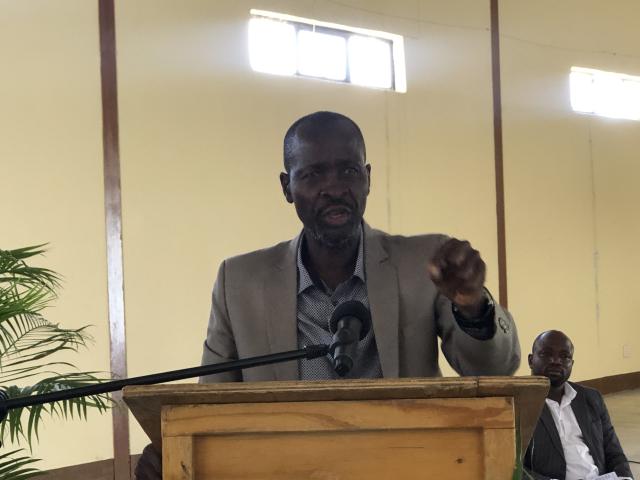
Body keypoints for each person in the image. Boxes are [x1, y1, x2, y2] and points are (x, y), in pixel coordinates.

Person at [134, 111, 520, 479]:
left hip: (407, 467)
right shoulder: (240, 281)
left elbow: (496, 370)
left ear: (367, 179)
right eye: (314, 174)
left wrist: (472, 306)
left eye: (348, 171)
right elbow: (212, 403)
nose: (334, 188)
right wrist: (172, 446)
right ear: (287, 187)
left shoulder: (425, 262)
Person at [524, 330, 633, 480]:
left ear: (572, 363)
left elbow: (614, 453)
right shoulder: (517, 403)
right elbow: (511, 467)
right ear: (531, 360)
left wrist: (625, 478)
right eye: (547, 354)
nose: (556, 360)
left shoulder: (591, 398)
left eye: (564, 356)